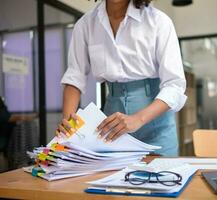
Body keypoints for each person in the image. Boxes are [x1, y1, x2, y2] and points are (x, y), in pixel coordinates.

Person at [57, 0, 186, 156]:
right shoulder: (85, 25)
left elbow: (175, 85)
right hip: (111, 127)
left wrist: (138, 119)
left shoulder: (158, 21)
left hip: (156, 126)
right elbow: (74, 78)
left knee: (161, 178)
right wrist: (68, 123)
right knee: (109, 179)